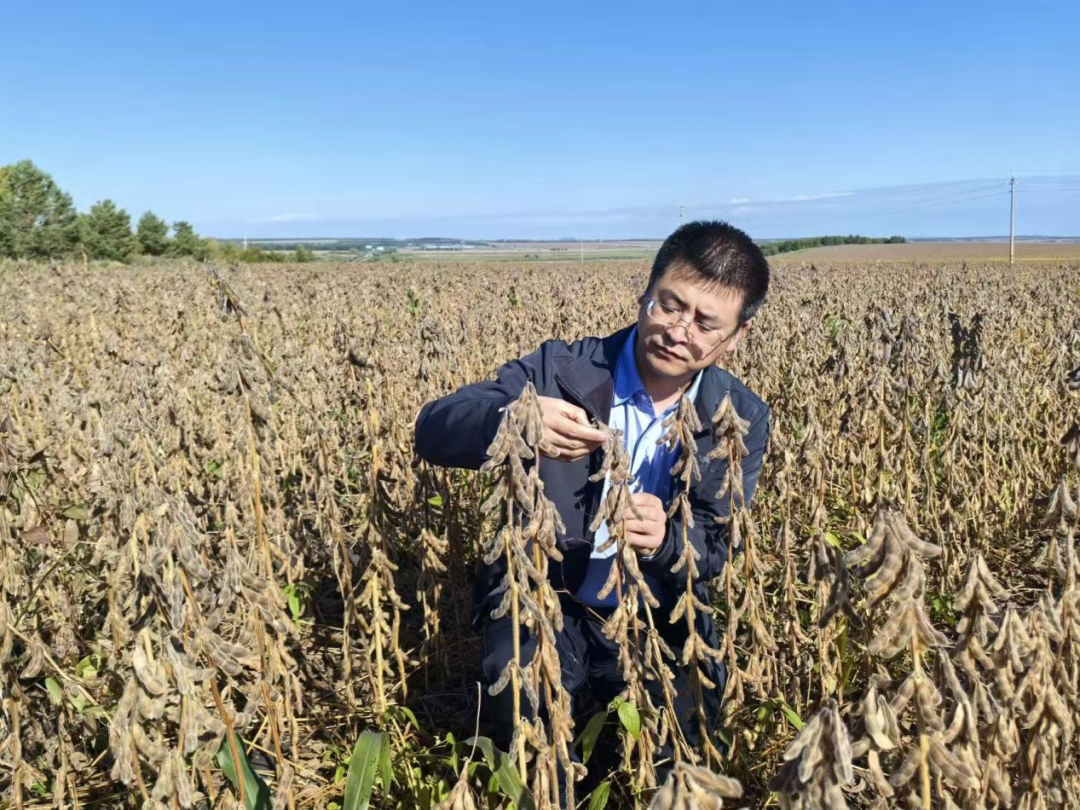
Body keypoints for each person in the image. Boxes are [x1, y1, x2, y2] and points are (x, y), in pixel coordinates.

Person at [413, 220, 771, 774]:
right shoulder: (559, 371)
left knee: (691, 738)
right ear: (646, 290)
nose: (679, 331)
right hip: (546, 596)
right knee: (526, 719)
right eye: (670, 305)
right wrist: (514, 419)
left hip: (659, 609)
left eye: (706, 324)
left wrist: (668, 539)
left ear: (737, 336)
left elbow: (718, 543)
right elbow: (434, 427)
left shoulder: (739, 418)